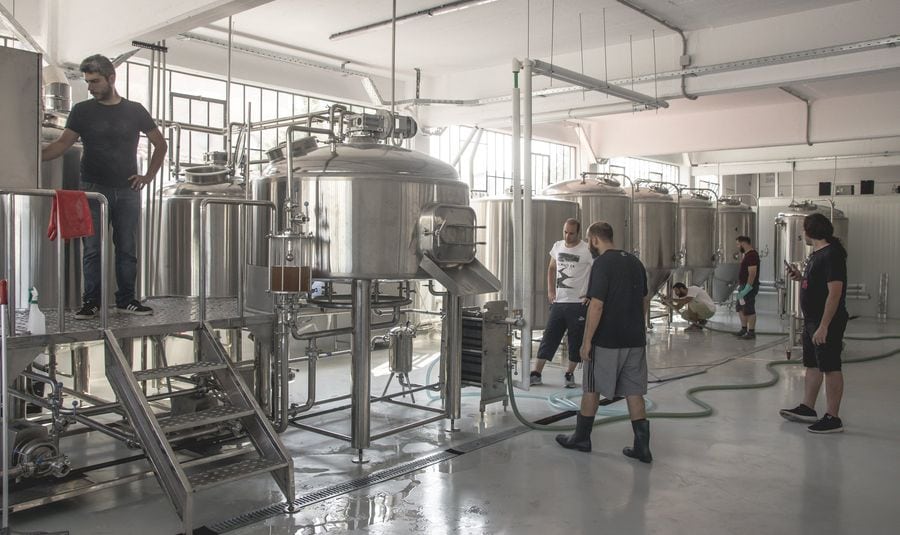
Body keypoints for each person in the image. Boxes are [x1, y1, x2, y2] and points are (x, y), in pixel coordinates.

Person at [42, 55, 167, 319]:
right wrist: (28, 157)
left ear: (111, 78)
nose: (90, 86)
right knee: (92, 248)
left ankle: (126, 300)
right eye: (87, 81)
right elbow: (62, 145)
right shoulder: (82, 111)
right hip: (92, 189)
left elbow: (160, 144)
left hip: (127, 189)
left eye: (95, 81)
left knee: (126, 247)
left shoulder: (135, 110)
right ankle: (91, 302)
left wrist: (148, 176)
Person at [555, 221, 652, 463]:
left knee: (592, 387)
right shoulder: (635, 261)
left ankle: (581, 437)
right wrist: (638, 325)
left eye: (589, 241)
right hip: (635, 339)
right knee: (634, 391)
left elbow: (597, 305)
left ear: (595, 239)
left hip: (607, 340)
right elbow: (644, 300)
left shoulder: (602, 264)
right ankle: (642, 447)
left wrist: (586, 342)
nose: (589, 245)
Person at [779, 213, 848, 433]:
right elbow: (818, 284)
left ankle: (833, 417)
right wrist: (800, 277)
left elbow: (835, 293)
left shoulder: (832, 255)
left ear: (811, 231)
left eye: (803, 229)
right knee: (812, 364)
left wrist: (824, 325)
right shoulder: (817, 254)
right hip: (811, 321)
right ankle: (808, 407)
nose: (802, 233)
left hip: (825, 322)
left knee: (830, 366)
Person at [530, 219, 592, 388]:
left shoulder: (587, 249)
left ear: (578, 233)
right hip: (559, 301)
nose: (567, 236)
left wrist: (591, 294)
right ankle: (536, 372)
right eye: (565, 232)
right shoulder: (558, 246)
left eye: (571, 233)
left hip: (578, 303)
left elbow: (596, 272)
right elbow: (551, 268)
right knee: (549, 336)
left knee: (575, 339)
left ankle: (569, 373)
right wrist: (551, 291)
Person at [734, 235, 760, 339]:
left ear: (743, 243)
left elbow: (752, 273)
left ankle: (751, 332)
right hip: (743, 285)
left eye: (738, 244)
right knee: (740, 307)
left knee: (749, 309)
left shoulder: (752, 255)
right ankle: (743, 328)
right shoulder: (747, 255)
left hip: (749, 286)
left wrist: (748, 288)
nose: (737, 246)